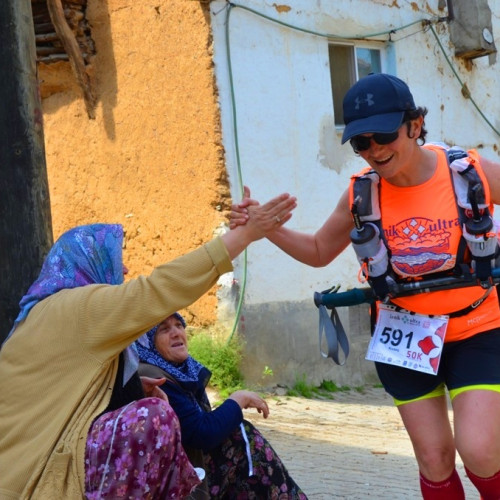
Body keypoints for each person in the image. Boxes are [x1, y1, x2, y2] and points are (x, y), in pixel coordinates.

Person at [230, 73, 500, 499]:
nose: (375, 150)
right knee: (433, 457)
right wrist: (264, 229)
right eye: (361, 142)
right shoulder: (361, 193)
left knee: (481, 450)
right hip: (405, 334)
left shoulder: (466, 172)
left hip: (477, 328)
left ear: (414, 125)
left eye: (384, 135)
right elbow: (320, 249)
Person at [0, 190, 296, 499]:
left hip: (20, 477)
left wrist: (131, 388)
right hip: (33, 485)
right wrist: (244, 236)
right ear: (90, 262)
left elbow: (62, 397)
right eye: (114, 260)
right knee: (152, 418)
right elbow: (157, 290)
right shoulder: (77, 308)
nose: (124, 271)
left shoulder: (40, 317)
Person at [135, 312, 308, 499]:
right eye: (164, 329)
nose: (176, 333)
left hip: (186, 468)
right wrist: (238, 400)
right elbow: (201, 433)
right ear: (148, 342)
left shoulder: (179, 370)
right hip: (173, 481)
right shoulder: (155, 377)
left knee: (240, 440)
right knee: (243, 440)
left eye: (179, 325)